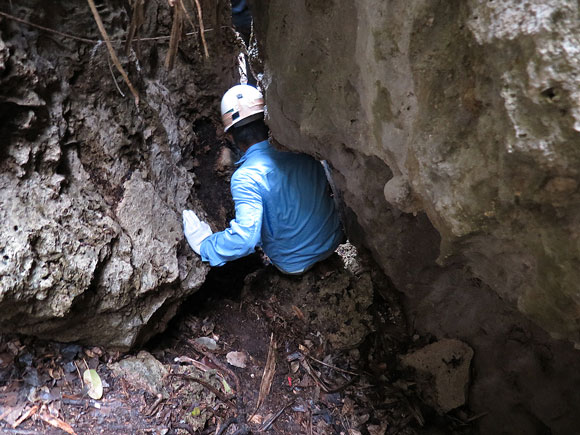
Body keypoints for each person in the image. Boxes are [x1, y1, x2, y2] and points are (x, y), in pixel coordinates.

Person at [183, 84, 343, 274]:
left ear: (231, 137)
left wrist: (206, 246)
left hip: (294, 263)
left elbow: (245, 240)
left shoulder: (245, 178)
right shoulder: (301, 146)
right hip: (333, 240)